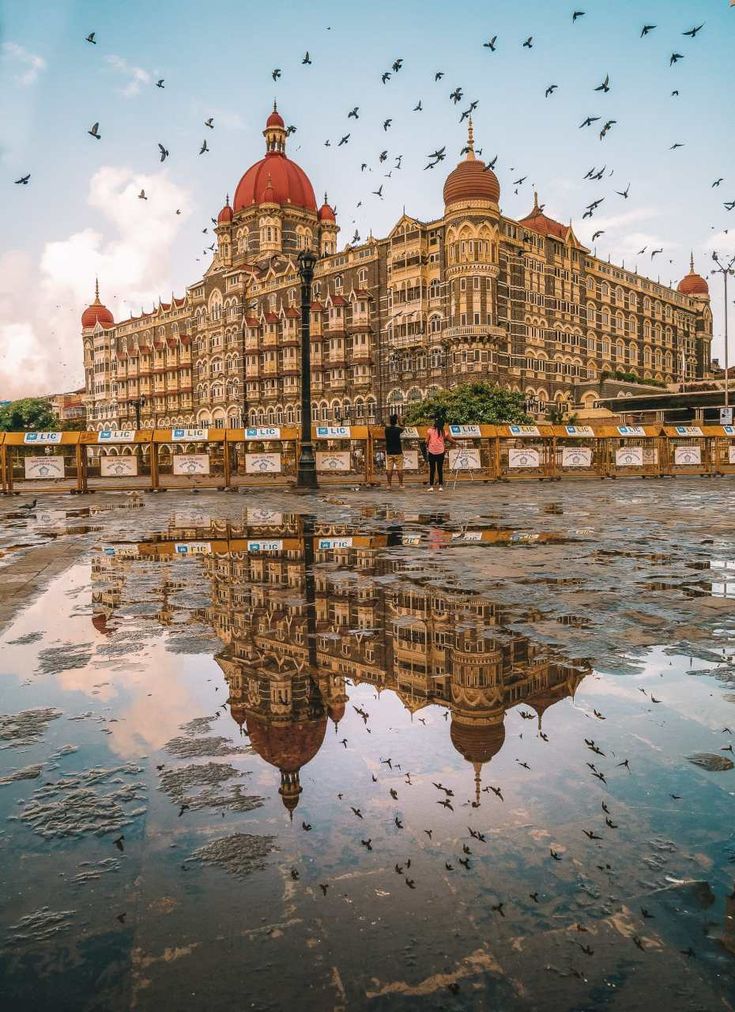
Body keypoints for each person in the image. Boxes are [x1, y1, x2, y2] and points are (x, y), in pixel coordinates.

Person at [425, 417, 453, 491]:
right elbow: (451, 440)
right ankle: (440, 486)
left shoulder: (430, 430)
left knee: (432, 469)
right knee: (440, 469)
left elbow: (426, 441)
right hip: (441, 452)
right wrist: (457, 443)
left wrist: (428, 443)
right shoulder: (444, 432)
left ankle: (431, 486)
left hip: (431, 451)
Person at [383, 413, 404, 489]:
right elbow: (402, 427)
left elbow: (386, 424)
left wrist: (389, 419)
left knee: (389, 469)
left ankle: (389, 484)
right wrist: (400, 420)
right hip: (398, 451)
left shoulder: (387, 430)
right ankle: (401, 484)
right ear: (396, 422)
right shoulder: (398, 430)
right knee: (400, 469)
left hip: (389, 451)